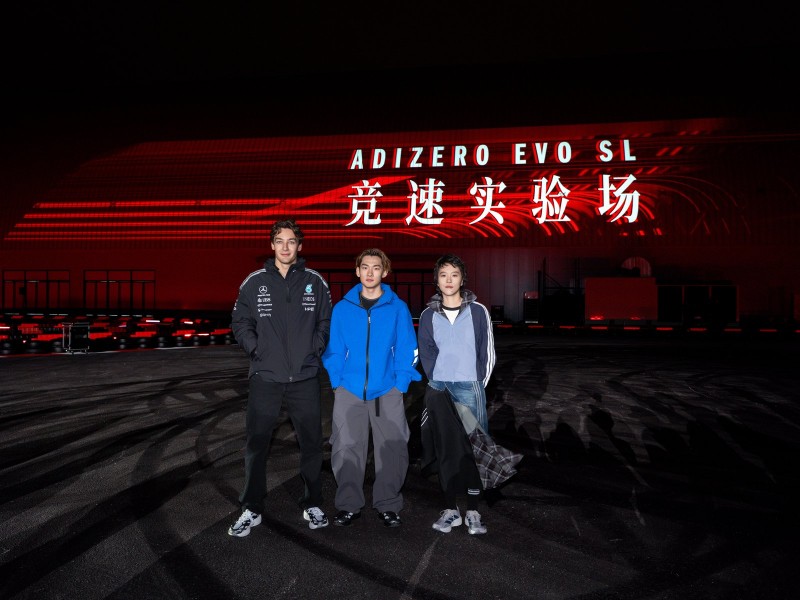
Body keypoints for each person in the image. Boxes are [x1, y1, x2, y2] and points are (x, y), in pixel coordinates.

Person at [228, 219, 332, 537]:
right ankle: (251, 507)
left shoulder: (315, 282)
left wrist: (314, 349)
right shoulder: (254, 282)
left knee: (311, 443)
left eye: (291, 241)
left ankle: (312, 503)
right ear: (272, 245)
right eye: (280, 241)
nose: (286, 247)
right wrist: (255, 349)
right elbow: (240, 321)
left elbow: (325, 322)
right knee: (257, 444)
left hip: (304, 376)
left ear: (300, 245)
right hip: (266, 376)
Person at [321, 248, 422, 528]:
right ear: (357, 271)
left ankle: (388, 504)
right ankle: (348, 505)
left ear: (384, 272)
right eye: (364, 267)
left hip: (387, 389)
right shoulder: (342, 309)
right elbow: (334, 349)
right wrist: (337, 381)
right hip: (349, 389)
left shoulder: (397, 308)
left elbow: (407, 348)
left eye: (376, 267)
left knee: (392, 449)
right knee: (346, 447)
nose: (369, 272)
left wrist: (400, 383)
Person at [417, 253, 496, 535]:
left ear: (463, 279)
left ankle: (473, 510)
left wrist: (476, 384)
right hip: (439, 388)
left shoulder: (478, 311)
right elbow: (426, 353)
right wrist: (437, 380)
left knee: (474, 448)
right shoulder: (428, 314)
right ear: (436, 281)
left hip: (470, 386)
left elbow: (487, 352)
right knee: (445, 449)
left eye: (454, 274)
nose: (449, 280)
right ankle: (451, 509)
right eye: (443, 275)